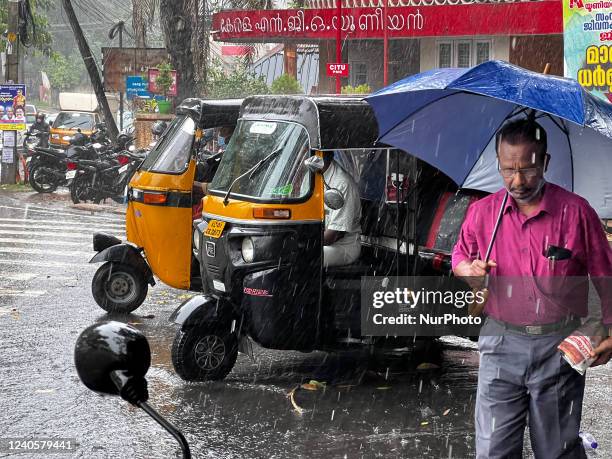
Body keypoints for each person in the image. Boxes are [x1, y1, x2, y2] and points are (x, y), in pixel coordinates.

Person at [452, 118, 612, 458]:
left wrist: (610, 331)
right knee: (494, 450)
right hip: (499, 344)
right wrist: (470, 271)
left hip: (558, 348)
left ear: (546, 163)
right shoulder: (483, 213)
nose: (517, 180)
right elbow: (460, 256)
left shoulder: (576, 212)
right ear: (498, 163)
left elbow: (605, 276)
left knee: (557, 451)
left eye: (527, 169)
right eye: (508, 169)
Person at [321, 151, 362, 267]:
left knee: (306, 256)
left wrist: (303, 243)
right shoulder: (312, 177)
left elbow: (333, 236)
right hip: (321, 243)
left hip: (343, 247)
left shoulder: (342, 184)